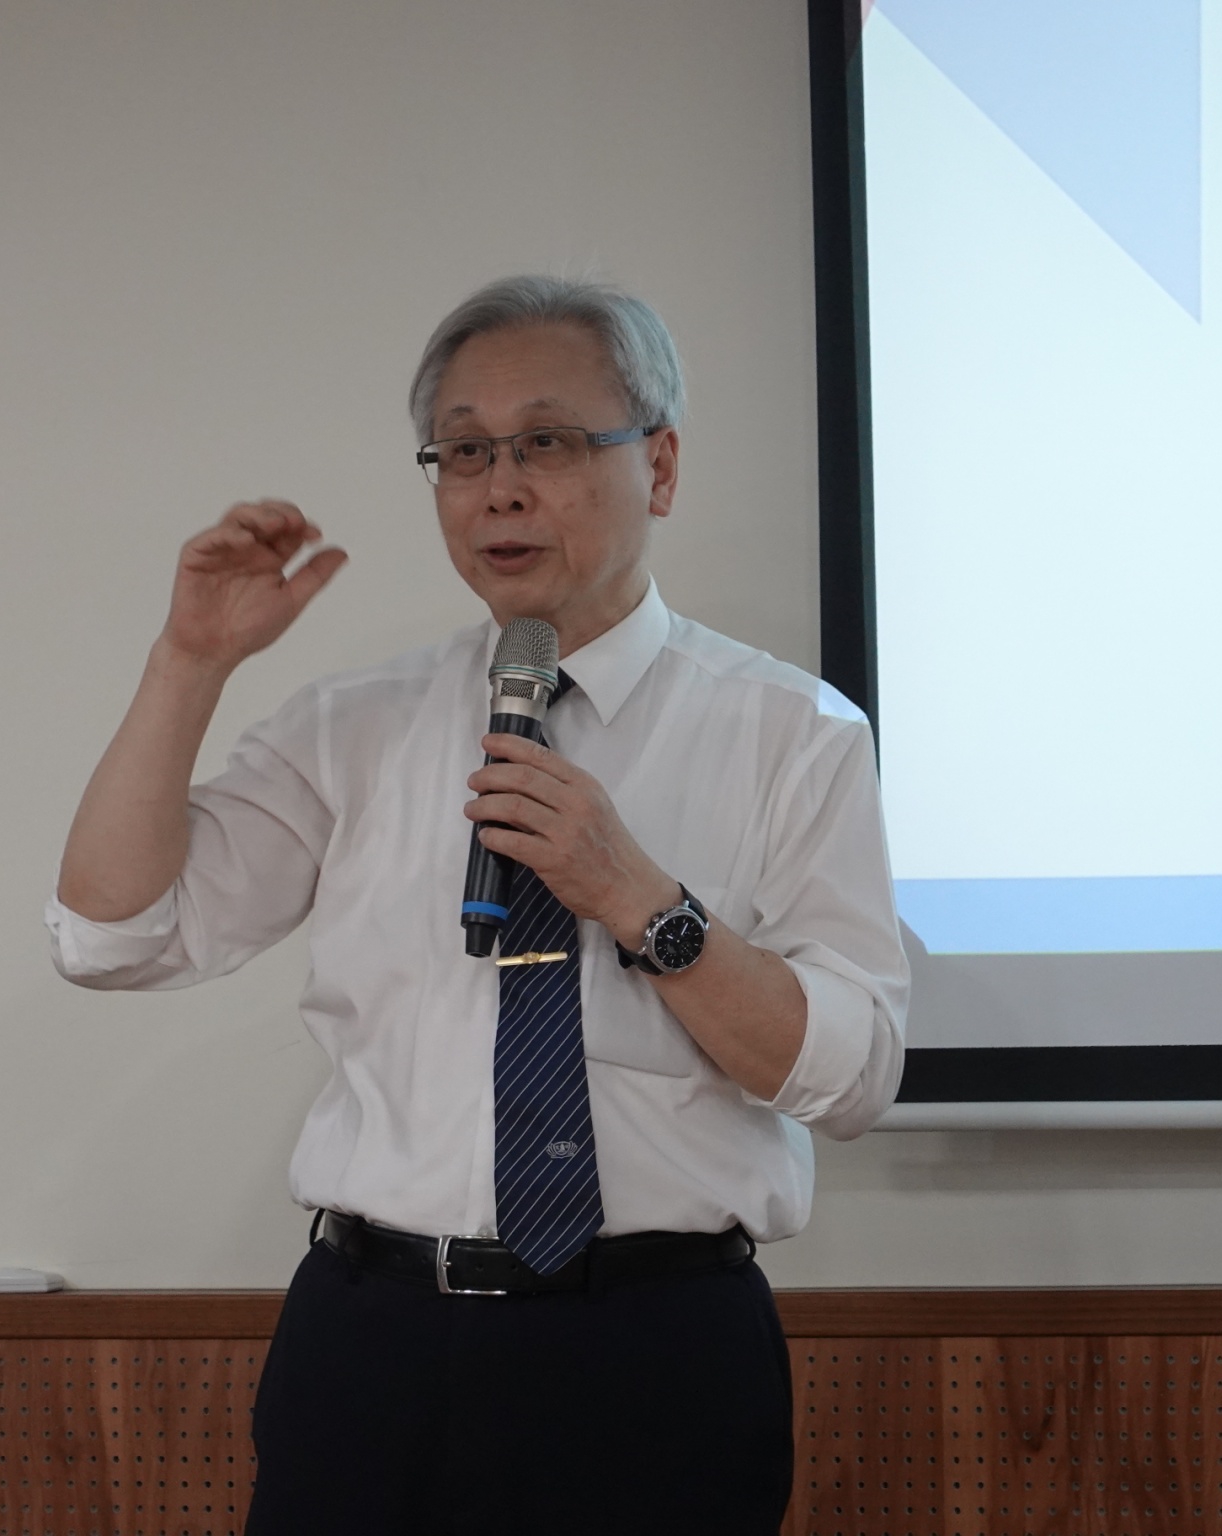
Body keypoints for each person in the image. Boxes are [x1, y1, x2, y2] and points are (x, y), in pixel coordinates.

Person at [46, 275, 908, 1535]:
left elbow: (854, 1075)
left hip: (653, 1352)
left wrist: (640, 901)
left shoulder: (792, 734)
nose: (498, 488)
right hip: (372, 1344)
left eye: (546, 442)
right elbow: (110, 936)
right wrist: (189, 663)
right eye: (462, 452)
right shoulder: (354, 726)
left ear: (659, 466)